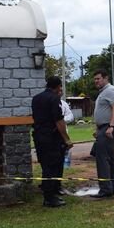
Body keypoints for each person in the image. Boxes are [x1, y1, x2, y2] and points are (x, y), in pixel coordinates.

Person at [31, 76, 73, 207]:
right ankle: (50, 197)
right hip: (51, 138)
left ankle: (51, 192)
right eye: (60, 87)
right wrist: (66, 139)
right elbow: (59, 121)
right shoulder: (54, 99)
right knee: (53, 166)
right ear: (58, 87)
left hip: (39, 136)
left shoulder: (36, 98)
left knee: (45, 165)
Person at [91, 69, 114, 198]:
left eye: (98, 78)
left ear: (106, 78)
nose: (96, 81)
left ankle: (105, 190)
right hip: (103, 128)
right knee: (110, 158)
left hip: (108, 128)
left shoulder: (111, 90)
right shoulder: (103, 92)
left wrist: (110, 126)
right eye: (95, 79)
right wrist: (98, 129)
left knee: (102, 158)